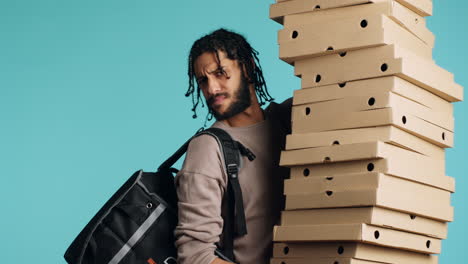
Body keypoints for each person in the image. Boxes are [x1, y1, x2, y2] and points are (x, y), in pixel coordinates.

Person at [174, 28, 291, 264]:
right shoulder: (208, 149)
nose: (212, 89)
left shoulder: (288, 119)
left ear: (247, 68)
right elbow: (196, 257)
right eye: (203, 80)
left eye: (220, 73)